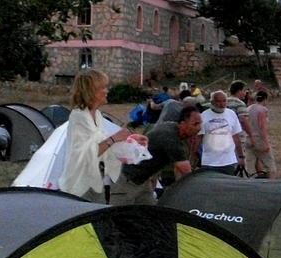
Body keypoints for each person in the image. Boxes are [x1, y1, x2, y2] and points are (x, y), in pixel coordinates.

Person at [57, 69, 143, 201]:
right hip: (80, 184)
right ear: (92, 91)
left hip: (96, 181)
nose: (107, 91)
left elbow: (104, 147)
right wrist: (114, 138)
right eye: (103, 87)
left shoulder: (96, 115)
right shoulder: (79, 117)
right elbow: (85, 154)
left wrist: (132, 142)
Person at [122, 106, 202, 204]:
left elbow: (157, 153)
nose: (199, 128)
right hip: (127, 178)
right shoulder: (171, 138)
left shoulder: (171, 126)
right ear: (182, 124)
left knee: (149, 212)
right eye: (195, 124)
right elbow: (186, 172)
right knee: (118, 212)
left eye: (200, 123)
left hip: (143, 180)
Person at [198, 91, 246, 174]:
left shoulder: (231, 114)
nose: (222, 104)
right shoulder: (203, 116)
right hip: (209, 162)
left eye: (224, 101)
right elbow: (198, 139)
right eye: (219, 101)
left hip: (229, 161)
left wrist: (241, 156)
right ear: (212, 102)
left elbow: (236, 137)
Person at [244, 90, 276, 178]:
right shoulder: (263, 110)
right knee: (270, 165)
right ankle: (270, 184)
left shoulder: (248, 108)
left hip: (248, 138)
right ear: (265, 99)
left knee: (250, 166)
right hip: (259, 139)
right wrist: (266, 143)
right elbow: (262, 127)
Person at [227, 80, 256, 148]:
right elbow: (243, 120)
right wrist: (251, 135)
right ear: (239, 91)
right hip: (237, 135)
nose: (245, 93)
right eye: (244, 91)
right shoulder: (239, 103)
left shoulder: (225, 101)